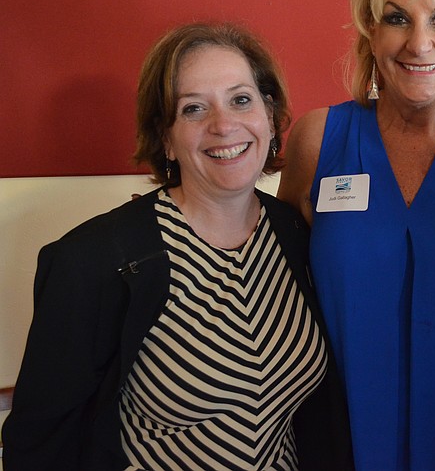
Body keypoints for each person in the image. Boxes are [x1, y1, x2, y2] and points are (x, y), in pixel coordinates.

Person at [2, 23, 353, 470]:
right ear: (165, 138)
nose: (224, 125)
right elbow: (40, 444)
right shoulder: (94, 261)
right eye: (192, 109)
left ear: (269, 114)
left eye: (241, 100)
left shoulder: (300, 236)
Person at [277, 0, 435, 470]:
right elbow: (273, 271)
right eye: (397, 18)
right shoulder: (317, 139)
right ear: (370, 33)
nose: (419, 43)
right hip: (335, 434)